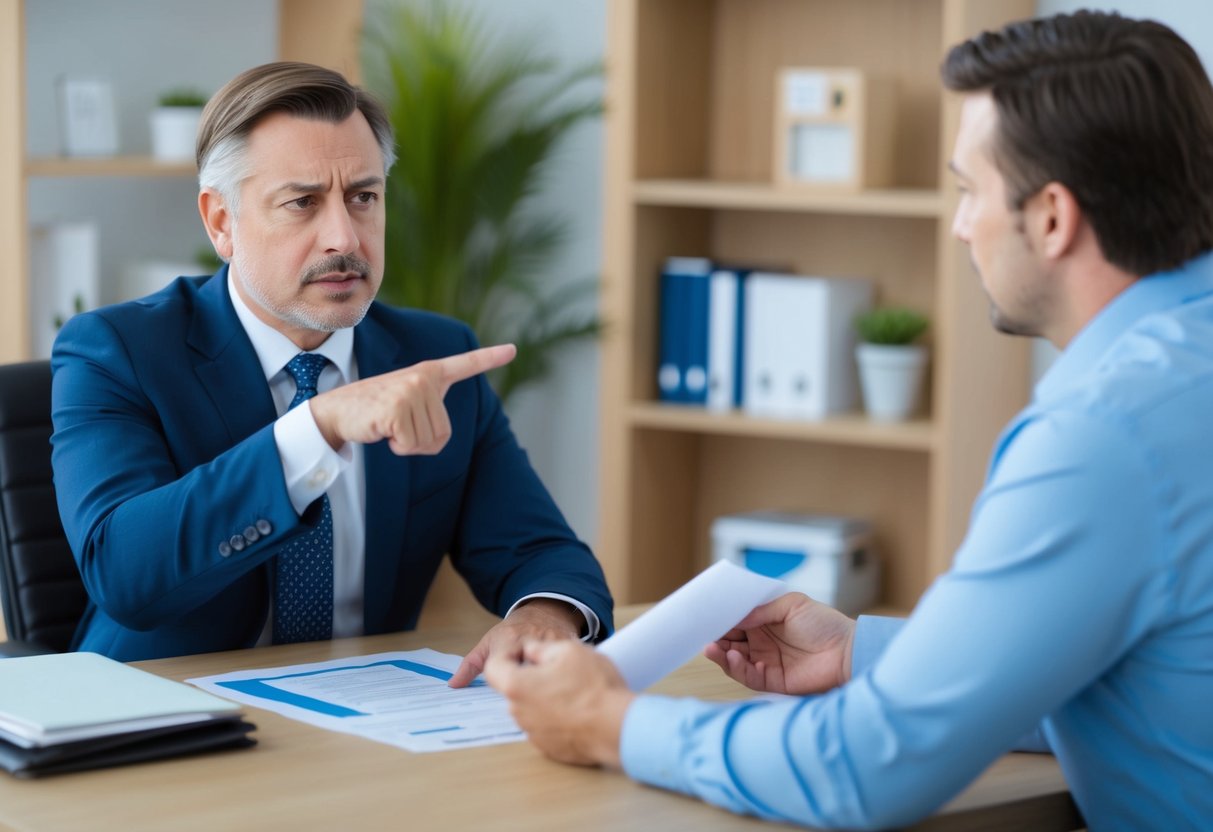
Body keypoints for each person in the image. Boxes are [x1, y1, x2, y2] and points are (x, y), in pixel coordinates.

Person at [485, 11, 1213, 829]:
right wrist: (861, 655)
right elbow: (1138, 672)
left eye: (970, 191)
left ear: (1050, 217)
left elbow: (865, 770)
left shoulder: (1103, 438)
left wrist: (608, 723)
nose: (958, 225)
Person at [50, 61, 613, 680]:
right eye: (302, 203)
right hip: (163, 722)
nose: (344, 237)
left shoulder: (433, 356)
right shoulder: (114, 350)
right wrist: (317, 426)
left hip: (364, 723)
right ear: (221, 222)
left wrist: (545, 614)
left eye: (363, 197)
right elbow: (125, 575)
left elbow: (539, 549)